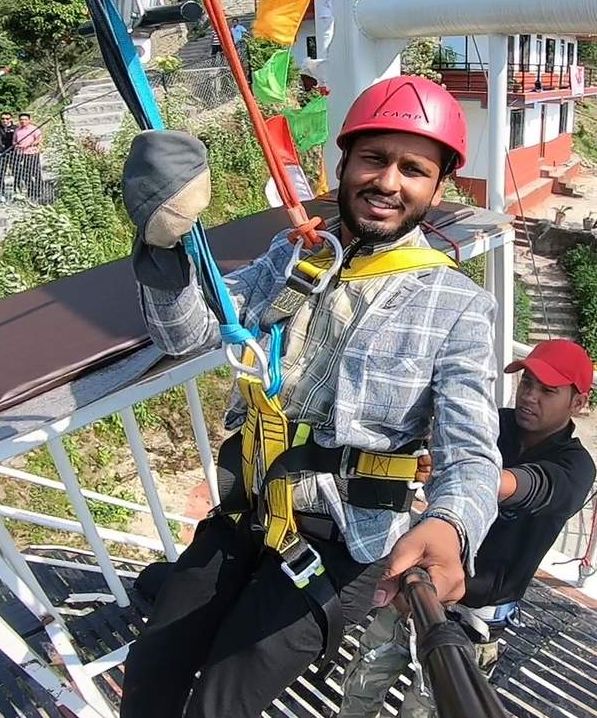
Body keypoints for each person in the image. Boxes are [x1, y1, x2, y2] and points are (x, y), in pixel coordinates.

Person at [119, 76, 503, 718]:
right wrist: (164, 245)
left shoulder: (457, 306)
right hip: (252, 509)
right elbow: (187, 332)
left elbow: (471, 452)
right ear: (344, 165)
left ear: (437, 189)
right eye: (374, 159)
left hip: (342, 541)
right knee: (151, 674)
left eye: (413, 168)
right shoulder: (298, 257)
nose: (388, 181)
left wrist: (451, 524)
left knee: (221, 704)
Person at [338, 338, 597, 718]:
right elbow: (435, 442)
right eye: (527, 383)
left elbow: (535, 486)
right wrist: (429, 464)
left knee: (425, 709)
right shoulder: (492, 423)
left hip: (474, 621)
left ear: (578, 403)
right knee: (361, 684)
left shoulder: (576, 466)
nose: (529, 397)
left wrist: (469, 477)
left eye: (547, 391)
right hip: (416, 588)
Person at [12, 112, 43, 201]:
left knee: (35, 172)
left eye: (25, 119)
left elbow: (38, 139)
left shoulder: (34, 129)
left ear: (29, 120)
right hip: (21, 154)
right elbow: (14, 141)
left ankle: (39, 191)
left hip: (32, 153)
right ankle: (31, 191)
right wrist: (16, 145)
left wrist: (29, 145)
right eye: (21, 120)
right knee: (25, 174)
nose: (23, 121)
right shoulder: (17, 130)